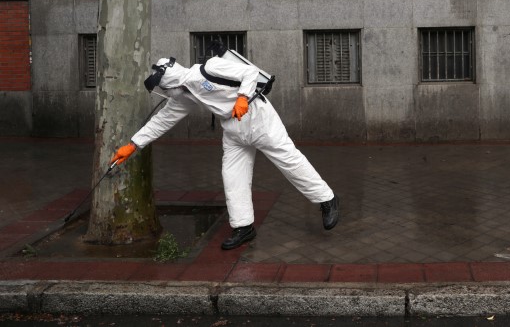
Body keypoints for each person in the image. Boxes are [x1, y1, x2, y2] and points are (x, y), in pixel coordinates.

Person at [110, 50, 339, 250]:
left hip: (257, 118)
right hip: (232, 130)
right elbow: (162, 120)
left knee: (289, 161)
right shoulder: (186, 97)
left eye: (166, 89)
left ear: (171, 83)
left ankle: (327, 200)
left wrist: (242, 97)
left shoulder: (210, 67)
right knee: (232, 177)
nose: (168, 94)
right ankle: (243, 227)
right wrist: (132, 145)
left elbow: (248, 73)